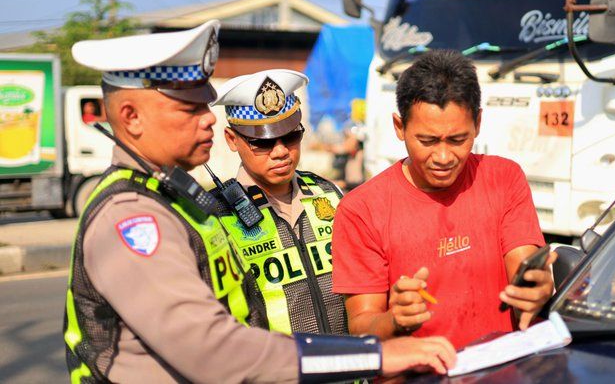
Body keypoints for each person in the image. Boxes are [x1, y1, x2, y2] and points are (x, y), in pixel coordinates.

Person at [64, 21, 456, 383]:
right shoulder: (133, 217)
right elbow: (213, 348)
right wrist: (373, 356)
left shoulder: (174, 200)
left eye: (291, 136)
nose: (209, 120)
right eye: (191, 108)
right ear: (131, 117)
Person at [332, 50, 558, 349]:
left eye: (457, 140)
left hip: (502, 368)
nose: (442, 157)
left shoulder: (503, 178)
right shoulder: (361, 209)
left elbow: (523, 269)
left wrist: (535, 289)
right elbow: (362, 326)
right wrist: (394, 320)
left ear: (478, 123)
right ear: (399, 127)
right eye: (427, 141)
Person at [209, 69, 348, 335]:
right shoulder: (216, 215)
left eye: (291, 136)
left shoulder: (328, 193)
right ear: (231, 139)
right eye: (263, 142)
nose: (281, 151)